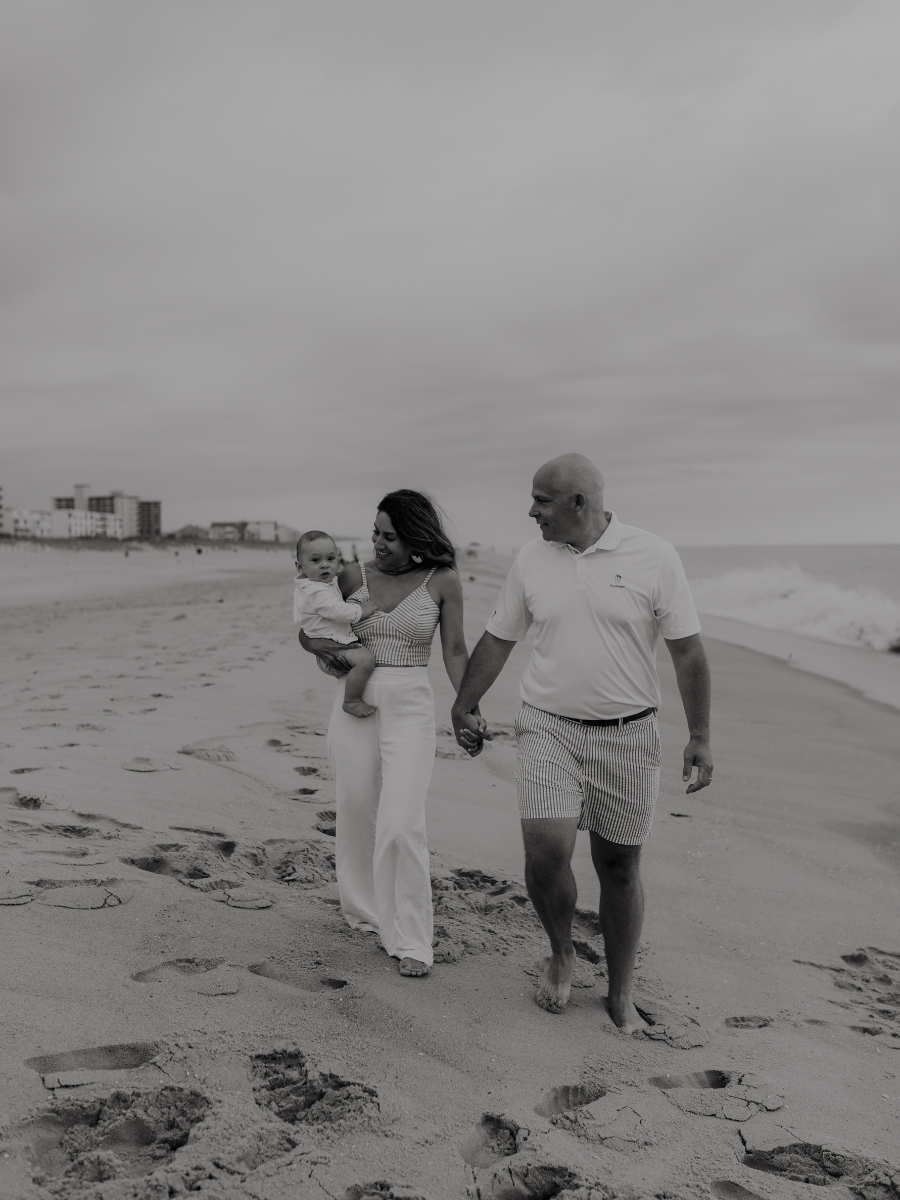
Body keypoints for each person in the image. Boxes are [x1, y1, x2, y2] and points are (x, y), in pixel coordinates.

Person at [451, 453, 712, 1031]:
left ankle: (620, 990)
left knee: (618, 865)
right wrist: (465, 702)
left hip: (628, 734)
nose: (531, 511)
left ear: (578, 503)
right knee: (546, 850)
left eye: (541, 500)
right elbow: (498, 639)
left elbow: (688, 649)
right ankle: (563, 952)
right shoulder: (530, 559)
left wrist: (700, 735)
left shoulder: (654, 555)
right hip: (549, 728)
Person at [299, 490, 473, 978]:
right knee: (355, 807)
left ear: (416, 538)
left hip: (411, 704)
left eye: (390, 536)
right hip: (355, 701)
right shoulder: (350, 575)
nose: (378, 543)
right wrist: (322, 650)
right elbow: (308, 624)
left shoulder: (442, 581)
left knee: (401, 822)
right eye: (375, 532)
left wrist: (468, 706)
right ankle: (365, 910)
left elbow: (455, 651)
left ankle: (413, 938)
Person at [293, 530, 379, 718]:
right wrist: (362, 611)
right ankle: (351, 701)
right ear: (300, 567)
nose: (325, 565)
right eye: (316, 561)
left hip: (332, 647)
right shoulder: (316, 592)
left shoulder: (320, 584)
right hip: (332, 653)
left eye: (331, 559)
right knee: (366, 660)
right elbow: (338, 611)